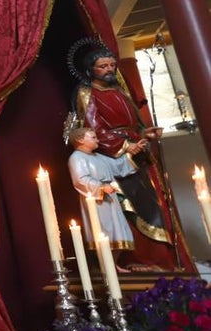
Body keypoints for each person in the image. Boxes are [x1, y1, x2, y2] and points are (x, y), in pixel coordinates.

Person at [71, 44, 190, 272]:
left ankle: (163, 261)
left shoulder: (120, 91)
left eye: (112, 65)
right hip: (114, 161)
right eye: (102, 66)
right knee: (132, 210)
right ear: (90, 70)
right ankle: (139, 260)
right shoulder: (87, 93)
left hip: (138, 157)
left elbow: (134, 124)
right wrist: (126, 145)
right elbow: (94, 129)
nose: (109, 70)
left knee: (156, 207)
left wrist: (145, 134)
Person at [67, 127, 137, 267]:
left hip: (110, 197)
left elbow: (116, 165)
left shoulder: (98, 156)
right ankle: (107, 267)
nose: (97, 140)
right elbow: (80, 180)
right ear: (80, 140)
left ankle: (114, 265)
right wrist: (101, 187)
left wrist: (130, 153)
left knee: (118, 232)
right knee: (105, 231)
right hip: (96, 200)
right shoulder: (76, 158)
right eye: (93, 137)